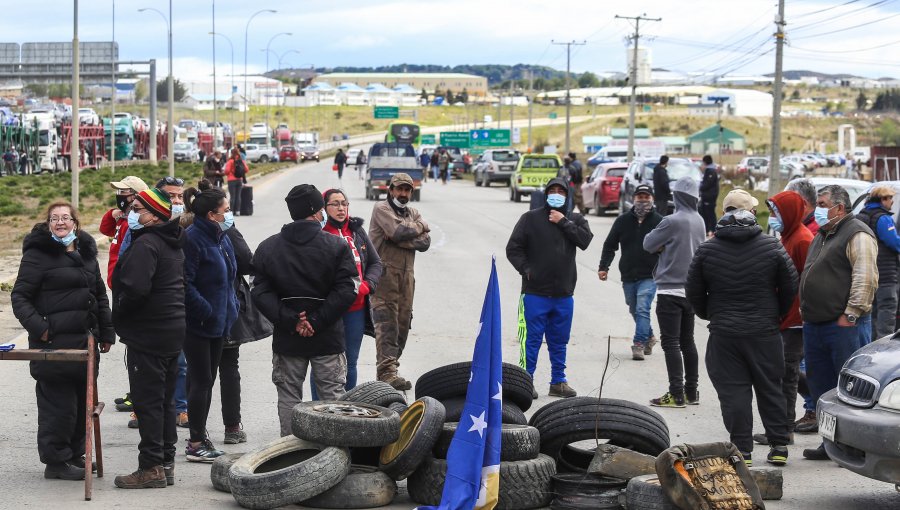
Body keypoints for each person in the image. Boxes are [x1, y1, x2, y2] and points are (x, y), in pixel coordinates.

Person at [686, 193, 797, 467]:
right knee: (771, 387)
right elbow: (791, 285)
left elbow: (693, 291)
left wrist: (711, 314)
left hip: (725, 334)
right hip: (765, 332)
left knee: (734, 391)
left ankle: (743, 451)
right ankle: (779, 445)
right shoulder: (772, 246)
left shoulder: (707, 250)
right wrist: (776, 314)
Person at [11, 202, 115, 481]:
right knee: (58, 407)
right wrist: (42, 329)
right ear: (47, 224)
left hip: (85, 343)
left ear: (75, 223)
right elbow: (19, 298)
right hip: (52, 346)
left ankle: (74, 454)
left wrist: (106, 333)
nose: (60, 222)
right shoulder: (37, 256)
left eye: (65, 218)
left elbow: (100, 295)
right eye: (54, 218)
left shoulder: (86, 253)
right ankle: (55, 462)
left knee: (83, 403)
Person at [251, 184, 359, 436]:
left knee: (289, 397)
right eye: (322, 210)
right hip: (328, 337)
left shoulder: (268, 247)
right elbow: (347, 289)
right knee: (332, 398)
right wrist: (317, 321)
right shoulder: (336, 246)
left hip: (288, 338)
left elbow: (259, 291)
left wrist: (290, 320)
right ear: (315, 212)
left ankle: (289, 454)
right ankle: (334, 453)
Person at [111, 188, 184, 489]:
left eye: (138, 208)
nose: (132, 212)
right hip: (171, 330)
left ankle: (151, 467)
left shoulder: (148, 244)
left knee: (149, 402)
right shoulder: (172, 241)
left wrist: (121, 317)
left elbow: (135, 289)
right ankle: (166, 461)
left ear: (154, 215)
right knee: (165, 402)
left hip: (149, 333)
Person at [800, 185, 878, 461]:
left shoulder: (857, 233)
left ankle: (853, 445)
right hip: (816, 324)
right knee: (822, 389)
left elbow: (865, 277)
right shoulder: (822, 235)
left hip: (844, 325)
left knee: (850, 389)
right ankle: (829, 443)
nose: (818, 210)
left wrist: (851, 313)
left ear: (839, 208)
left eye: (822, 204)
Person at [507, 178, 594, 398]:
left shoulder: (575, 219)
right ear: (545, 194)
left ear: (568, 195)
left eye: (561, 191)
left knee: (559, 341)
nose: (556, 194)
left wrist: (563, 221)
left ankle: (558, 382)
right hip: (535, 293)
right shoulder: (530, 218)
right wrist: (526, 269)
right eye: (552, 191)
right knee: (531, 341)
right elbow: (513, 248)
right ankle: (526, 382)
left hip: (563, 294)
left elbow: (585, 241)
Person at [181, 185, 238, 462]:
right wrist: (205, 310)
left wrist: (231, 309)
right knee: (201, 381)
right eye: (226, 210)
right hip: (199, 325)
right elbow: (185, 283)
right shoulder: (192, 239)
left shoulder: (221, 237)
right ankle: (194, 442)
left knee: (206, 380)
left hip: (220, 323)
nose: (229, 214)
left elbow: (230, 277)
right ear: (212, 214)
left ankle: (200, 434)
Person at [752, 190, 814, 447]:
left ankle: (783, 430)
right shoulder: (787, 237)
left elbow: (806, 281)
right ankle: (816, 397)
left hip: (795, 319)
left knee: (785, 375)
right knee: (783, 372)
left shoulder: (802, 240)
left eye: (778, 211)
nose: (774, 217)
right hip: (784, 317)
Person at [642, 177, 706, 408]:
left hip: (669, 290)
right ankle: (691, 392)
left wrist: (663, 246)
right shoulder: (699, 220)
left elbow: (648, 244)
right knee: (688, 342)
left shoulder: (671, 221)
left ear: (676, 196)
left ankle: (675, 393)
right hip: (690, 290)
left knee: (670, 343)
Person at [316, 189, 383, 395]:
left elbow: (375, 263)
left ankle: (347, 410)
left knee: (350, 362)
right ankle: (316, 413)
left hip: (356, 309)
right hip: (330, 309)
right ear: (324, 209)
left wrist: (368, 285)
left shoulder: (357, 231)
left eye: (344, 203)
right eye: (335, 204)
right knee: (324, 363)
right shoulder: (319, 234)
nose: (341, 208)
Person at [368, 174, 431, 390]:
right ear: (391, 190)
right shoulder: (381, 208)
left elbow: (425, 242)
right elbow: (398, 231)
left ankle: (390, 369)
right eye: (399, 189)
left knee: (403, 326)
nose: (403, 194)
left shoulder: (413, 213)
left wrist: (402, 238)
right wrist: (415, 229)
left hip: (407, 278)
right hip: (384, 276)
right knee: (387, 325)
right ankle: (386, 373)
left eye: (407, 190)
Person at [598, 184, 662, 361]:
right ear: (633, 199)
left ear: (652, 199)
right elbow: (610, 245)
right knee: (633, 308)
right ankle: (649, 336)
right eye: (639, 197)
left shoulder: (660, 221)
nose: (643, 201)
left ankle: (639, 344)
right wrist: (604, 267)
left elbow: (670, 248)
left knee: (642, 308)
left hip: (650, 274)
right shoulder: (622, 220)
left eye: (646, 197)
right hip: (628, 274)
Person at [855, 185, 900, 338]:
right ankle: (883, 351)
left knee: (870, 315)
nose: (892, 202)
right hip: (886, 275)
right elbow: (894, 242)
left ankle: (870, 347)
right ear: (882, 199)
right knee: (886, 312)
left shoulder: (862, 215)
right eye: (889, 198)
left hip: (867, 274)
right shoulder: (883, 218)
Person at [99, 176, 149, 289]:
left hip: (124, 282)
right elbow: (105, 229)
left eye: (123, 191)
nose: (119, 195)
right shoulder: (122, 217)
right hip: (115, 280)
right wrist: (112, 214)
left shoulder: (135, 222)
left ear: (135, 196)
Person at [699, 155, 720, 236]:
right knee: (706, 213)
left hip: (709, 197)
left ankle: (713, 230)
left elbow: (707, 184)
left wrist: (700, 187)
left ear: (705, 162)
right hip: (708, 196)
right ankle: (708, 230)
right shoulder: (710, 170)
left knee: (709, 214)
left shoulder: (710, 171)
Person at [224, 147, 248, 215]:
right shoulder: (241, 160)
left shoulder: (230, 161)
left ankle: (231, 211)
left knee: (232, 196)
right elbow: (246, 169)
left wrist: (229, 173)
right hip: (239, 180)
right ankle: (238, 211)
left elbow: (226, 171)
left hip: (231, 180)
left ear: (231, 153)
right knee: (238, 196)